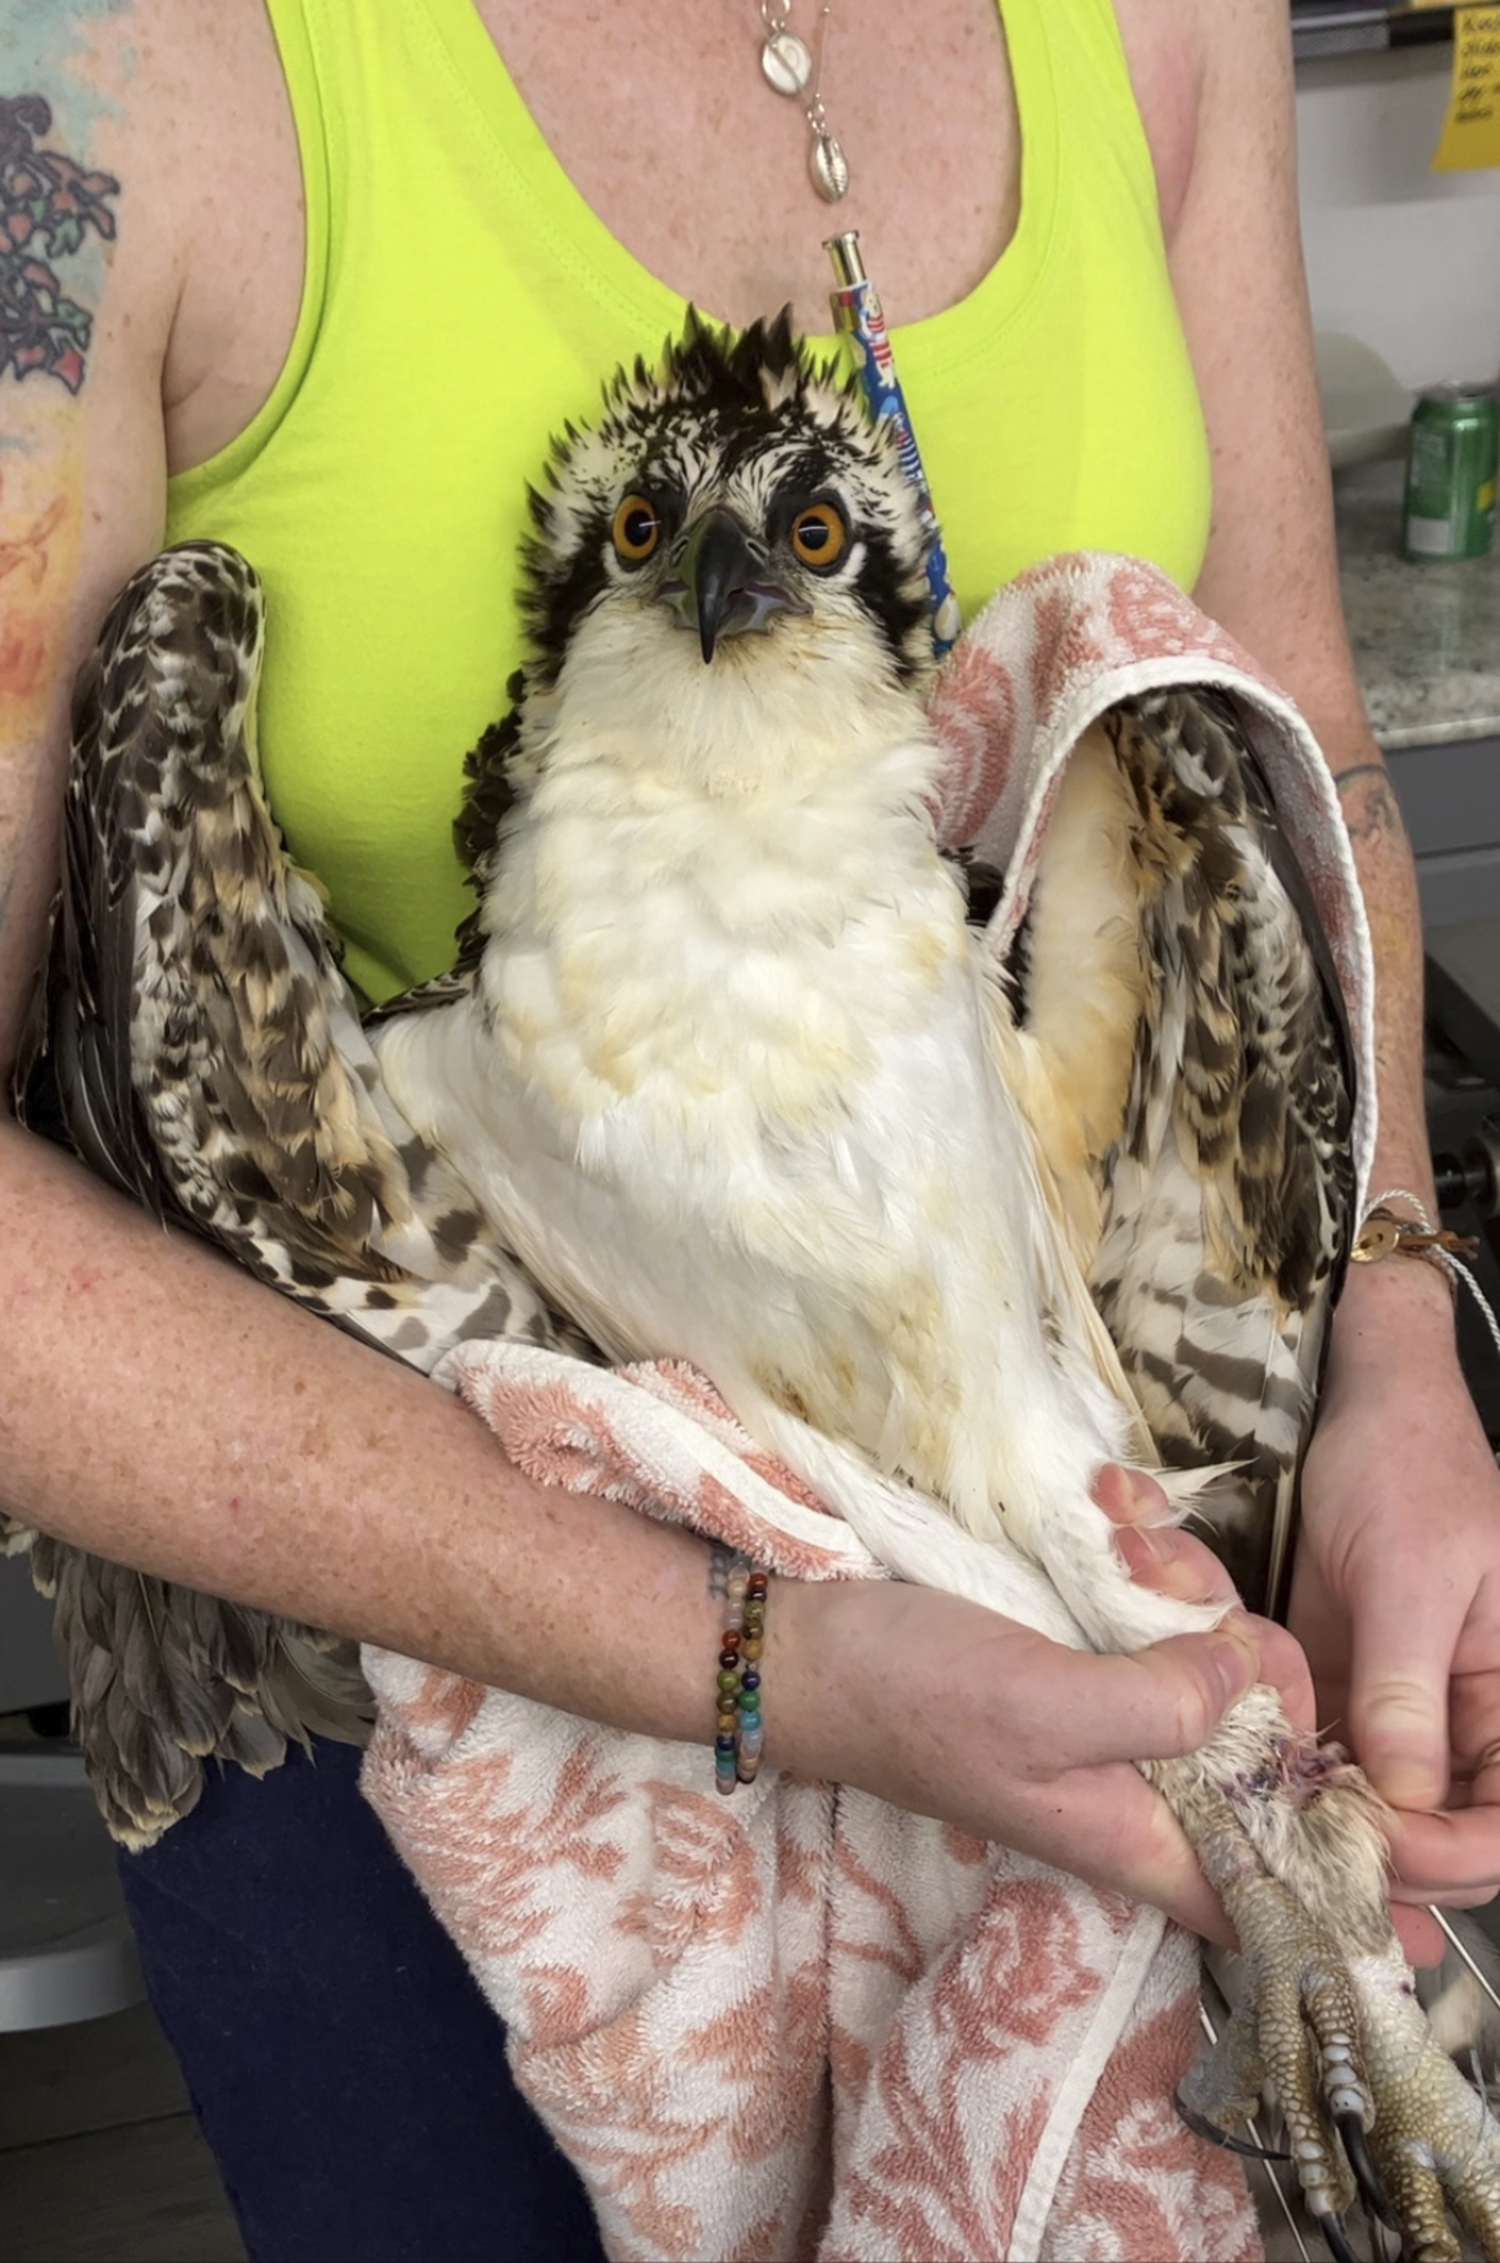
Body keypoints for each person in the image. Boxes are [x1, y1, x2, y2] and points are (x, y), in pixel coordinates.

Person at [1, 1, 1496, 2255]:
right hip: (399, 1661)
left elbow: (1291, 712)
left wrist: (1393, 1344)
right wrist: (763, 1661)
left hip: (1089, 1554)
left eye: (801, 535)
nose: (726, 576)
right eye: (659, 535)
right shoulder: (104, 76)